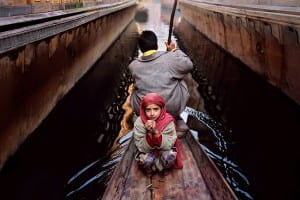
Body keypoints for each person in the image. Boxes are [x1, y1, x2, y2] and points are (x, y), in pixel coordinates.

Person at [129, 30, 193, 131]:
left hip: (146, 111)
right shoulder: (170, 58)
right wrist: (174, 51)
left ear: (140, 48)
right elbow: (189, 65)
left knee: (134, 87)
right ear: (156, 45)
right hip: (171, 109)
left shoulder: (133, 66)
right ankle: (173, 115)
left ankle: (147, 117)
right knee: (179, 77)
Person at [133, 93, 183, 175]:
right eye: (148, 110)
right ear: (143, 110)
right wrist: (149, 133)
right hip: (148, 152)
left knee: (171, 155)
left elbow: (169, 144)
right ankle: (150, 169)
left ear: (162, 109)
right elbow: (141, 147)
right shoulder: (139, 123)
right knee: (145, 159)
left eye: (156, 109)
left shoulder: (168, 121)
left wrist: (156, 133)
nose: (152, 113)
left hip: (163, 151)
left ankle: (164, 167)